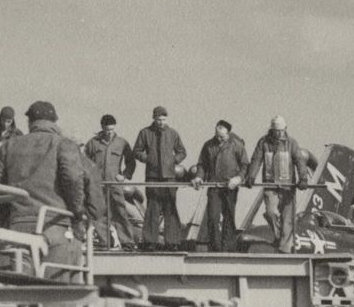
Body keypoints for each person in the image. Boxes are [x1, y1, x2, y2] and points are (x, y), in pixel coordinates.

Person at [0, 101, 91, 261]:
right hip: (55, 226)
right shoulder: (63, 144)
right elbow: (73, 180)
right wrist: (77, 215)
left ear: (30, 122)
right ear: (55, 122)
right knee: (60, 284)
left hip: (17, 228)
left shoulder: (8, 146)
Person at [242, 115, 309, 248]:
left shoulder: (292, 143)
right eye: (276, 130)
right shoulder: (264, 143)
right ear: (271, 130)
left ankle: (285, 249)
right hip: (270, 185)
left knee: (287, 219)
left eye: (281, 130)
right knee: (271, 212)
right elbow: (256, 159)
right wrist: (251, 176)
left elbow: (300, 161)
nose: (278, 133)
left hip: (287, 186)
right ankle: (278, 235)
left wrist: (303, 178)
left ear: (285, 129)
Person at [130, 106, 187, 248]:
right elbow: (136, 151)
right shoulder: (145, 133)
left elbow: (182, 151)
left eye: (163, 119)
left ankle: (172, 242)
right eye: (158, 119)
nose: (161, 122)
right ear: (153, 118)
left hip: (169, 177)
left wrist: (174, 160)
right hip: (153, 176)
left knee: (170, 208)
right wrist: (147, 159)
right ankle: (150, 241)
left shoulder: (173, 133)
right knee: (152, 208)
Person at [82, 113, 139, 250]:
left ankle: (127, 242)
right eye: (107, 130)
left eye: (112, 129)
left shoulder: (122, 143)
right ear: (102, 127)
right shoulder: (93, 143)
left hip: (114, 184)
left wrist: (124, 175)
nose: (109, 132)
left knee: (120, 212)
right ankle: (105, 241)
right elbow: (84, 161)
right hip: (97, 184)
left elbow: (131, 162)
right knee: (99, 213)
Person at [194, 119, 248, 252]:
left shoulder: (237, 145)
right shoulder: (208, 145)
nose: (219, 138)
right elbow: (202, 164)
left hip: (230, 187)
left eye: (222, 136)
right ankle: (215, 248)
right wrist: (199, 177)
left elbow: (245, 165)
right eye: (217, 135)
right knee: (212, 217)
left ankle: (228, 249)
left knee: (229, 218)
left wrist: (239, 178)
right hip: (214, 186)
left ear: (228, 133)